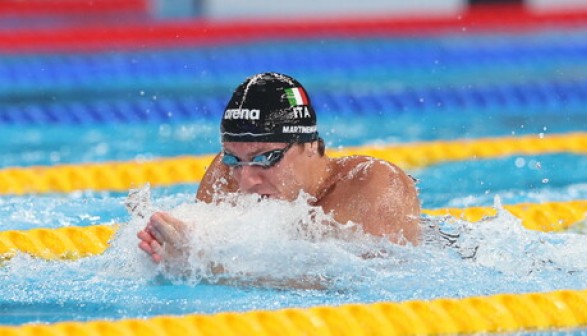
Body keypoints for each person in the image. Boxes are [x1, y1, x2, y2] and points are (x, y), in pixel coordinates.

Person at [138, 72, 421, 264]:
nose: (246, 181)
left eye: (265, 159)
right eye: (234, 159)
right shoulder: (226, 174)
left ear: (309, 145)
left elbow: (367, 286)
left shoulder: (373, 185)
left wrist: (207, 266)